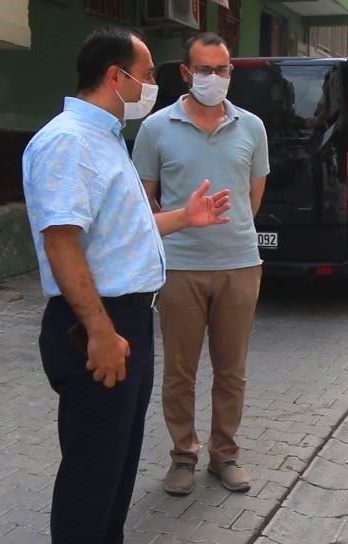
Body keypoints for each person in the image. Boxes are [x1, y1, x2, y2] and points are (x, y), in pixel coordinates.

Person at [22, 28, 231, 543]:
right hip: (98, 323)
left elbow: (122, 230)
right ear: (115, 77)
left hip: (128, 319)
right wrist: (99, 330)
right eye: (145, 74)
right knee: (92, 471)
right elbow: (62, 244)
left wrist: (185, 217)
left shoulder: (106, 138)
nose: (149, 86)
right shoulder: (68, 141)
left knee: (116, 464)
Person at [132, 32, 269, 496]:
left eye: (223, 69)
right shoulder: (155, 128)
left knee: (232, 370)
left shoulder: (251, 127)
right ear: (187, 74)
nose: (215, 77)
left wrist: (228, 233)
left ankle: (224, 455)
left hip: (239, 266)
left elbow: (253, 195)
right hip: (179, 269)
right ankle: (183, 456)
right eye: (205, 70)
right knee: (180, 370)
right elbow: (143, 202)